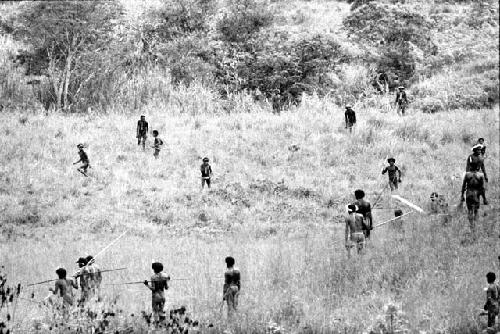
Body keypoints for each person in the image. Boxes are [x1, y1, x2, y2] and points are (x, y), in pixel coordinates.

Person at [144, 262, 170, 326]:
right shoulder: (165, 276)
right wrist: (167, 280)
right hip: (163, 297)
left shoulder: (153, 277)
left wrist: (147, 284)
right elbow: (166, 288)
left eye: (153, 269)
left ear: (154, 269)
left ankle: (156, 326)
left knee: (155, 312)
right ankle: (163, 326)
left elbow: (153, 288)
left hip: (156, 297)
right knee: (161, 312)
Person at [460, 162, 485, 228]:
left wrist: (462, 196)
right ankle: (475, 226)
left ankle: (471, 226)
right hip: (476, 195)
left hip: (469, 194)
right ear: (477, 167)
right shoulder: (481, 175)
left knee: (470, 210)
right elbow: (482, 188)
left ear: (470, 167)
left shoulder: (467, 175)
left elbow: (463, 186)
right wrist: (484, 198)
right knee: (476, 211)